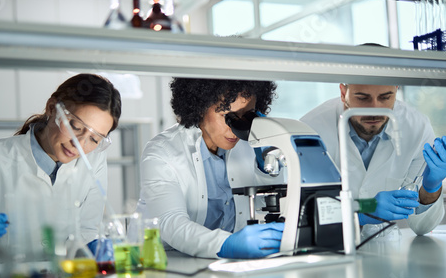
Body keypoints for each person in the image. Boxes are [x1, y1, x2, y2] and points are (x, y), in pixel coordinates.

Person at [0, 73, 122, 250]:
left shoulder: (94, 161)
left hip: (67, 276)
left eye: (94, 139)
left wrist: (93, 250)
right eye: (75, 126)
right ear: (52, 108)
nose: (79, 144)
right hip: (3, 277)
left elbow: (87, 231)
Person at [136, 78, 285, 259]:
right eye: (227, 116)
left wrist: (267, 170)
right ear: (200, 107)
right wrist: (226, 245)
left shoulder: (249, 145)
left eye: (247, 116)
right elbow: (171, 223)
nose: (235, 128)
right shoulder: (162, 152)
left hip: (227, 265)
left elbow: (265, 207)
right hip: (167, 262)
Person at [300, 83, 444, 235]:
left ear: (396, 91)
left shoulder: (417, 128)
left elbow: (422, 227)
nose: (374, 110)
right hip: (331, 250)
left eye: (385, 97)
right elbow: (305, 215)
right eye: (362, 98)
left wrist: (431, 187)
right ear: (343, 93)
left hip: (388, 250)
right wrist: (364, 209)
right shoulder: (311, 130)